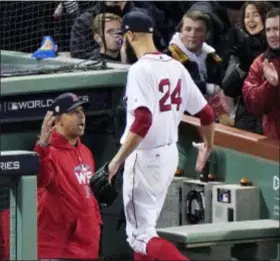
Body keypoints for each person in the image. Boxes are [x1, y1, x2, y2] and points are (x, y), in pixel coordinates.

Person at [107, 10, 215, 261]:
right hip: (168, 155)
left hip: (144, 157)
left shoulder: (139, 70)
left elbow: (143, 121)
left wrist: (116, 161)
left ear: (130, 35)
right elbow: (207, 114)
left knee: (138, 236)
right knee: (147, 230)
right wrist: (207, 146)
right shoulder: (175, 66)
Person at [34, 93, 102, 260]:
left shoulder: (86, 152)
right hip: (57, 249)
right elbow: (40, 180)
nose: (81, 116)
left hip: (87, 247)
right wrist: (42, 147)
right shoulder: (48, 152)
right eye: (73, 112)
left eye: (82, 111)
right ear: (58, 120)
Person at [222, 1, 273, 134]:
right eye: (247, 16)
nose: (250, 20)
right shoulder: (240, 47)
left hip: (271, 122)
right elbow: (228, 89)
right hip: (244, 119)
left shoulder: (274, 47)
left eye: (255, 15)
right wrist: (244, 66)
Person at [242, 7, 280, 140]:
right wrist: (269, 86)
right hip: (274, 139)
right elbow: (251, 103)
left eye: (277, 29)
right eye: (269, 30)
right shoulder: (260, 63)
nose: (272, 35)